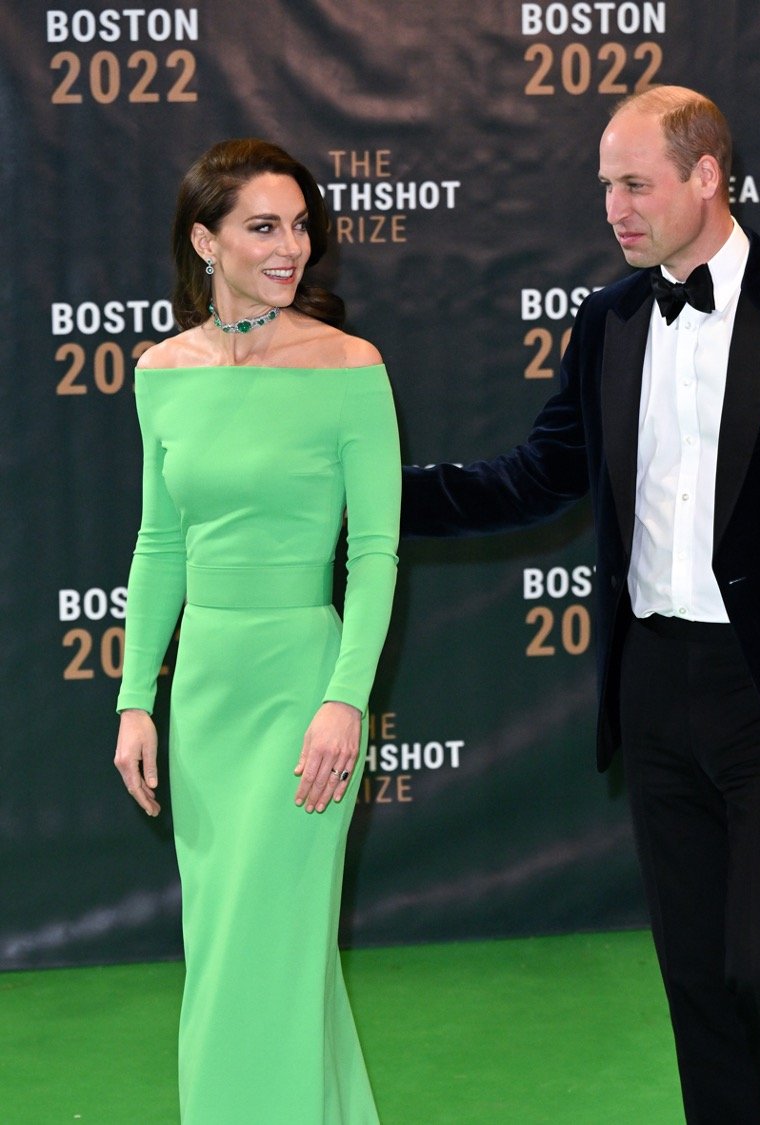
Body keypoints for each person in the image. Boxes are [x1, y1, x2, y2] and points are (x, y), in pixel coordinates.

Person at [400, 87, 760, 1123]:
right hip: (654, 684)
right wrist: (376, 491)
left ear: (705, 177)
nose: (614, 206)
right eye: (605, 185)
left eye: (634, 183)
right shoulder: (607, 321)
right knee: (693, 976)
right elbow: (534, 476)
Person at [113, 138, 397, 1121]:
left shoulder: (351, 367)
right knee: (224, 944)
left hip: (302, 691)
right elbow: (159, 545)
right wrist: (134, 699)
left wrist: (343, 699)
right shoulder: (161, 373)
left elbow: (375, 557)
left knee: (266, 946)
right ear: (206, 240)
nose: (292, 249)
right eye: (263, 228)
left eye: (300, 227)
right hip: (206, 698)